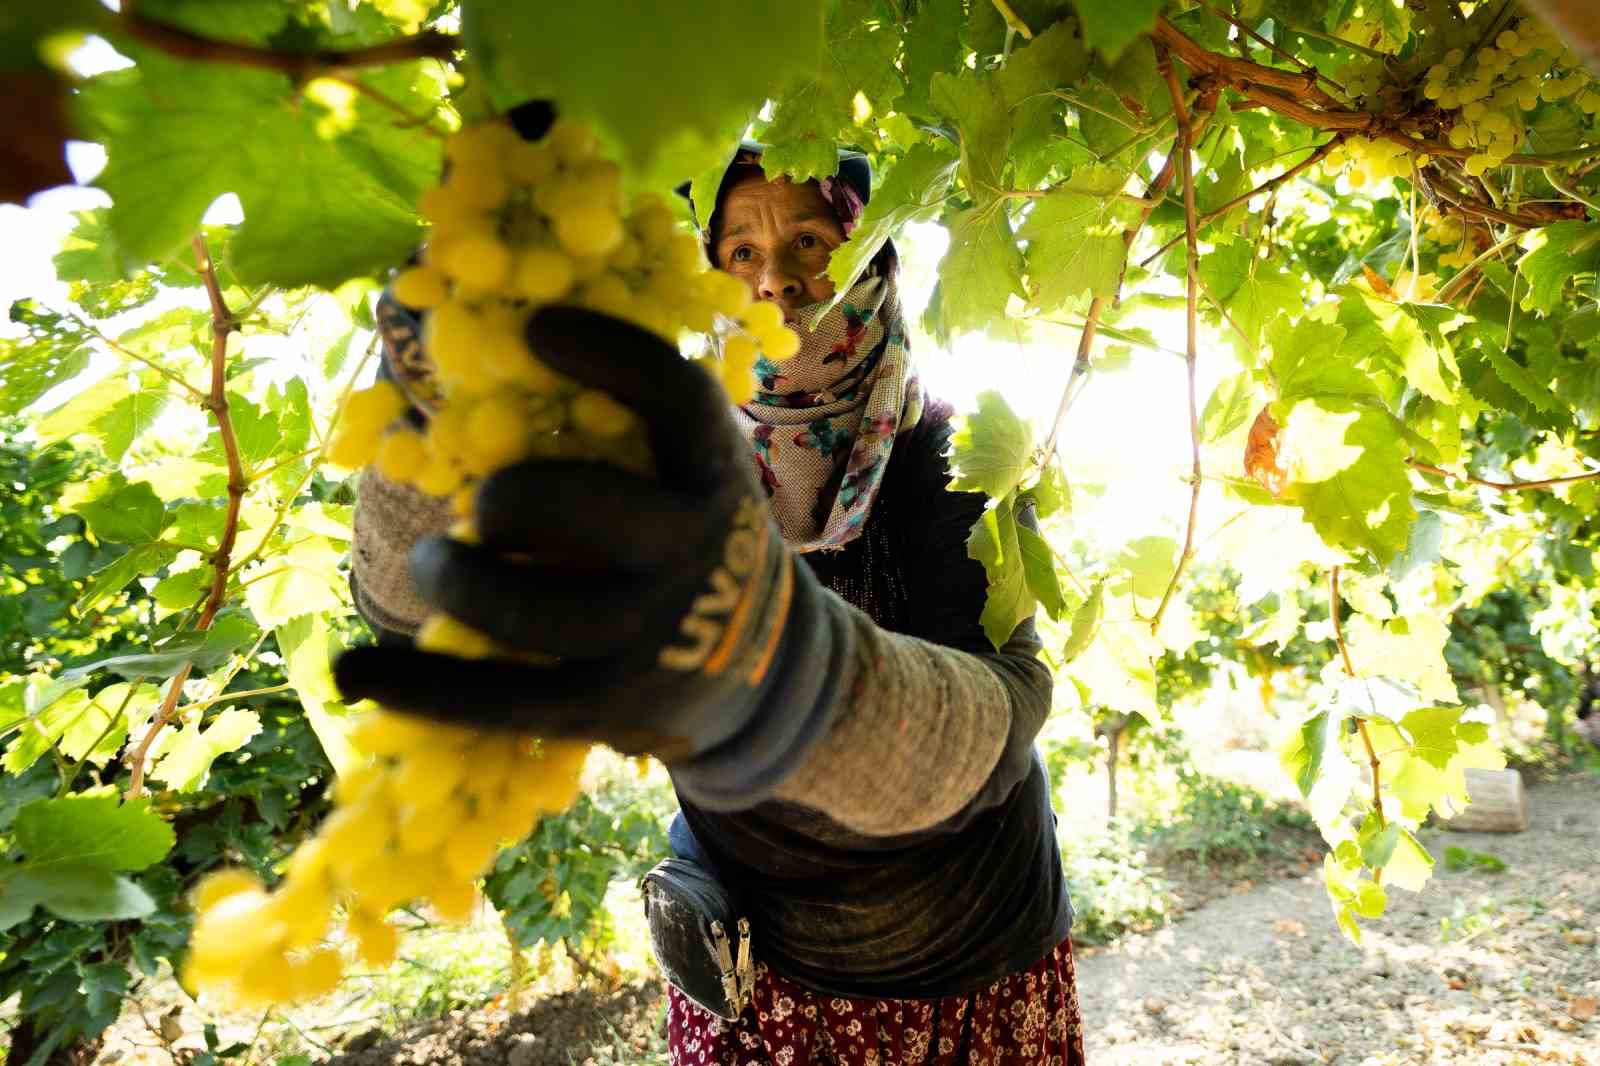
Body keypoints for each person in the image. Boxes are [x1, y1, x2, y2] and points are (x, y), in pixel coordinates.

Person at [334, 129, 1084, 1064]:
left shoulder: (954, 457)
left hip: (955, 954)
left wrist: (784, 673)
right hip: (757, 971)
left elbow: (995, 722)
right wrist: (435, 415)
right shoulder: (664, 452)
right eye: (741, 253)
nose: (776, 281)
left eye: (812, 240)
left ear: (873, 250)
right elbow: (433, 616)